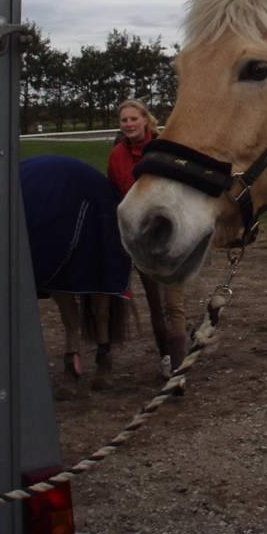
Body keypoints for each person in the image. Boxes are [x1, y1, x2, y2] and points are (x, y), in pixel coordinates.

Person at [20, 155, 131, 399]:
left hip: (92, 210)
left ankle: (103, 357)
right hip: (55, 221)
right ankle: (73, 363)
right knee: (66, 306)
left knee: (100, 306)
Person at [108, 99, 188, 380]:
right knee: (154, 302)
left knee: (173, 303)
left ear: (145, 120)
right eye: (124, 120)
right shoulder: (116, 155)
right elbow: (117, 194)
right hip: (140, 240)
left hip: (170, 237)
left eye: (133, 119)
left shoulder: (163, 149)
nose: (129, 124)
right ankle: (166, 357)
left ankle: (179, 369)